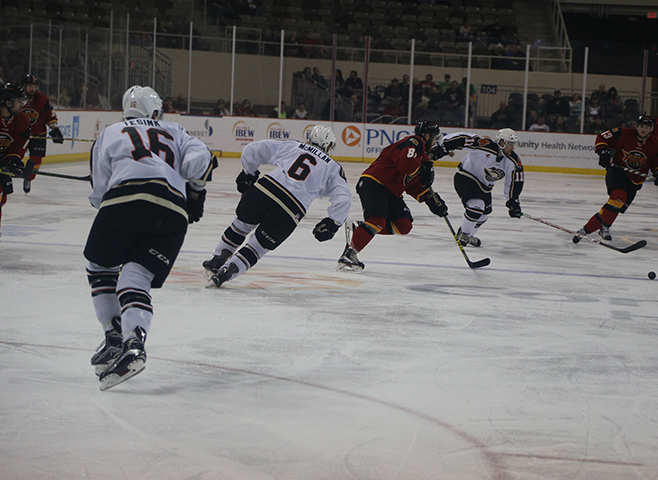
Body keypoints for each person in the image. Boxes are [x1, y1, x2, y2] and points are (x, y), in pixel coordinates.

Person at [84, 85, 216, 390]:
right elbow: (201, 163)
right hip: (172, 212)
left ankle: (114, 336)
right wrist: (193, 193)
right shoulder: (176, 130)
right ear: (155, 112)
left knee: (99, 265)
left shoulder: (110, 132)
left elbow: (99, 193)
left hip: (124, 202)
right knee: (135, 277)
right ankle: (135, 345)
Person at [203, 125, 352, 287]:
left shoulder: (293, 145)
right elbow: (344, 198)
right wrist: (333, 222)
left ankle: (218, 258)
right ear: (329, 146)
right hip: (291, 208)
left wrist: (249, 173)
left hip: (264, 190)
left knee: (241, 225)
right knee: (258, 247)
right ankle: (229, 270)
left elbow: (252, 149)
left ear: (310, 139)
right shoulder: (334, 167)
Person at [338, 120, 447, 272]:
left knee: (404, 225)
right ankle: (350, 254)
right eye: (435, 138)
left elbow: (413, 185)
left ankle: (360, 228)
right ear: (427, 136)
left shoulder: (422, 157)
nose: (435, 142)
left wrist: (431, 200)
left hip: (392, 191)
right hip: (375, 183)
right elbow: (406, 165)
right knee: (377, 221)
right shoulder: (415, 142)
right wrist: (424, 166)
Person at [573, 115, 658, 244]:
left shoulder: (657, 144)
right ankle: (605, 227)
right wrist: (603, 152)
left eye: (646, 127)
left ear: (651, 129)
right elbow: (602, 138)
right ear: (637, 126)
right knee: (619, 196)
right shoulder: (622, 133)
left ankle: (583, 231)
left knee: (611, 209)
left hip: (635, 181)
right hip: (617, 172)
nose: (643, 129)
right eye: (641, 126)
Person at [429, 128, 523, 247]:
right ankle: (464, 233)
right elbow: (462, 138)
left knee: (484, 215)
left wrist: (513, 201)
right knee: (476, 206)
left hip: (485, 186)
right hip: (466, 177)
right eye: (510, 144)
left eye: (513, 144)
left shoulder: (513, 161)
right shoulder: (484, 145)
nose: (513, 148)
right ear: (502, 143)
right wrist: (443, 148)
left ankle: (467, 235)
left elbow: (515, 181)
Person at [19, 74, 63, 194]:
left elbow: (49, 114)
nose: (32, 89)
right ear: (24, 86)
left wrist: (54, 129)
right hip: (19, 134)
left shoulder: (41, 99)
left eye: (34, 86)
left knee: (36, 161)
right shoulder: (17, 98)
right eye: (30, 86)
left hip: (38, 134)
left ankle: (29, 178)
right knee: (14, 157)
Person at [0, 83, 31, 234]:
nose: (22, 105)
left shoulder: (21, 120)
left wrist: (14, 160)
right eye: (19, 101)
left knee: (2, 196)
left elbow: (18, 145)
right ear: (7, 102)